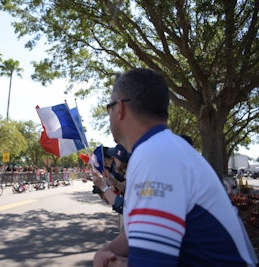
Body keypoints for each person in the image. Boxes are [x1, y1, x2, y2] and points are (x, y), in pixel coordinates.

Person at [93, 68, 258, 267]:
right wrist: (107, 251)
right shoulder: (162, 147)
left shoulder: (154, 153)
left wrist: (113, 264)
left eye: (108, 108)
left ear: (120, 108)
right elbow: (137, 230)